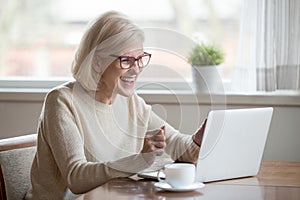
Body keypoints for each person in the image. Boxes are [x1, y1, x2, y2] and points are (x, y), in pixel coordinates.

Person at [25, 11, 206, 200]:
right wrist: (139, 160)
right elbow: (76, 178)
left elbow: (178, 146)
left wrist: (198, 139)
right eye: (126, 60)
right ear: (97, 63)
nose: (136, 69)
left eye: (140, 58)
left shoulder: (130, 101)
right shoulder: (61, 101)